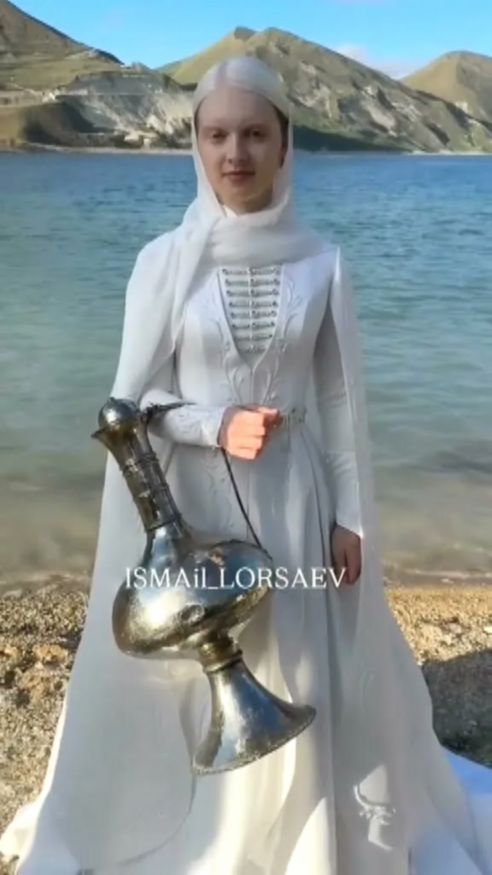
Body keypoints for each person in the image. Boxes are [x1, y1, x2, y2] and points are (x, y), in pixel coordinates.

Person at [1, 55, 491, 875]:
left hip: (295, 497)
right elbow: (128, 406)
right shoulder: (163, 262)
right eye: (218, 134)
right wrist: (215, 424)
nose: (236, 153)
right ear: (196, 143)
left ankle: (304, 833)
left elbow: (338, 402)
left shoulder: (323, 262)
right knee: (201, 669)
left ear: (285, 143)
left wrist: (351, 516)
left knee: (298, 654)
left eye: (255, 134)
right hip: (195, 504)